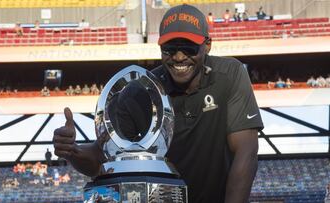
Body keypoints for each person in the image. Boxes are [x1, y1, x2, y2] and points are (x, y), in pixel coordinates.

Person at [53, 4, 263, 203]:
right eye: (170, 49)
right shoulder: (138, 91)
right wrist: (72, 151)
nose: (179, 57)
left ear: (207, 45)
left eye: (189, 48)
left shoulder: (230, 74)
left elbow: (246, 152)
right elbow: (102, 159)